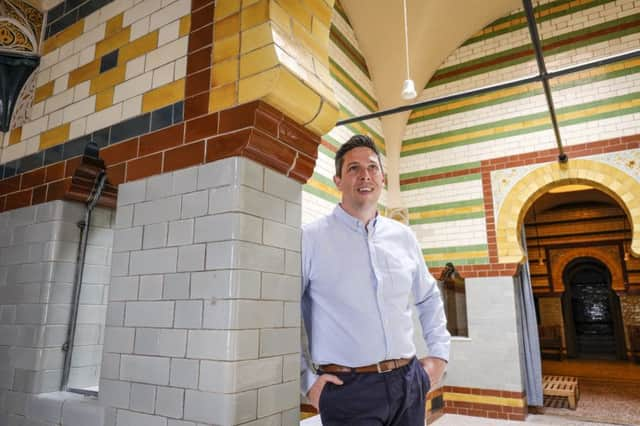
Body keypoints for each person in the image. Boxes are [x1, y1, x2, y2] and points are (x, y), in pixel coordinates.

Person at [300, 134, 451, 425]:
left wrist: (439, 355)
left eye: (372, 167)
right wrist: (307, 380)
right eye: (353, 168)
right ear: (338, 181)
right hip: (348, 391)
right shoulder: (311, 238)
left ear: (382, 178)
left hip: (408, 383)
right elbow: (285, 315)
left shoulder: (403, 237)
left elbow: (428, 297)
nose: (365, 175)